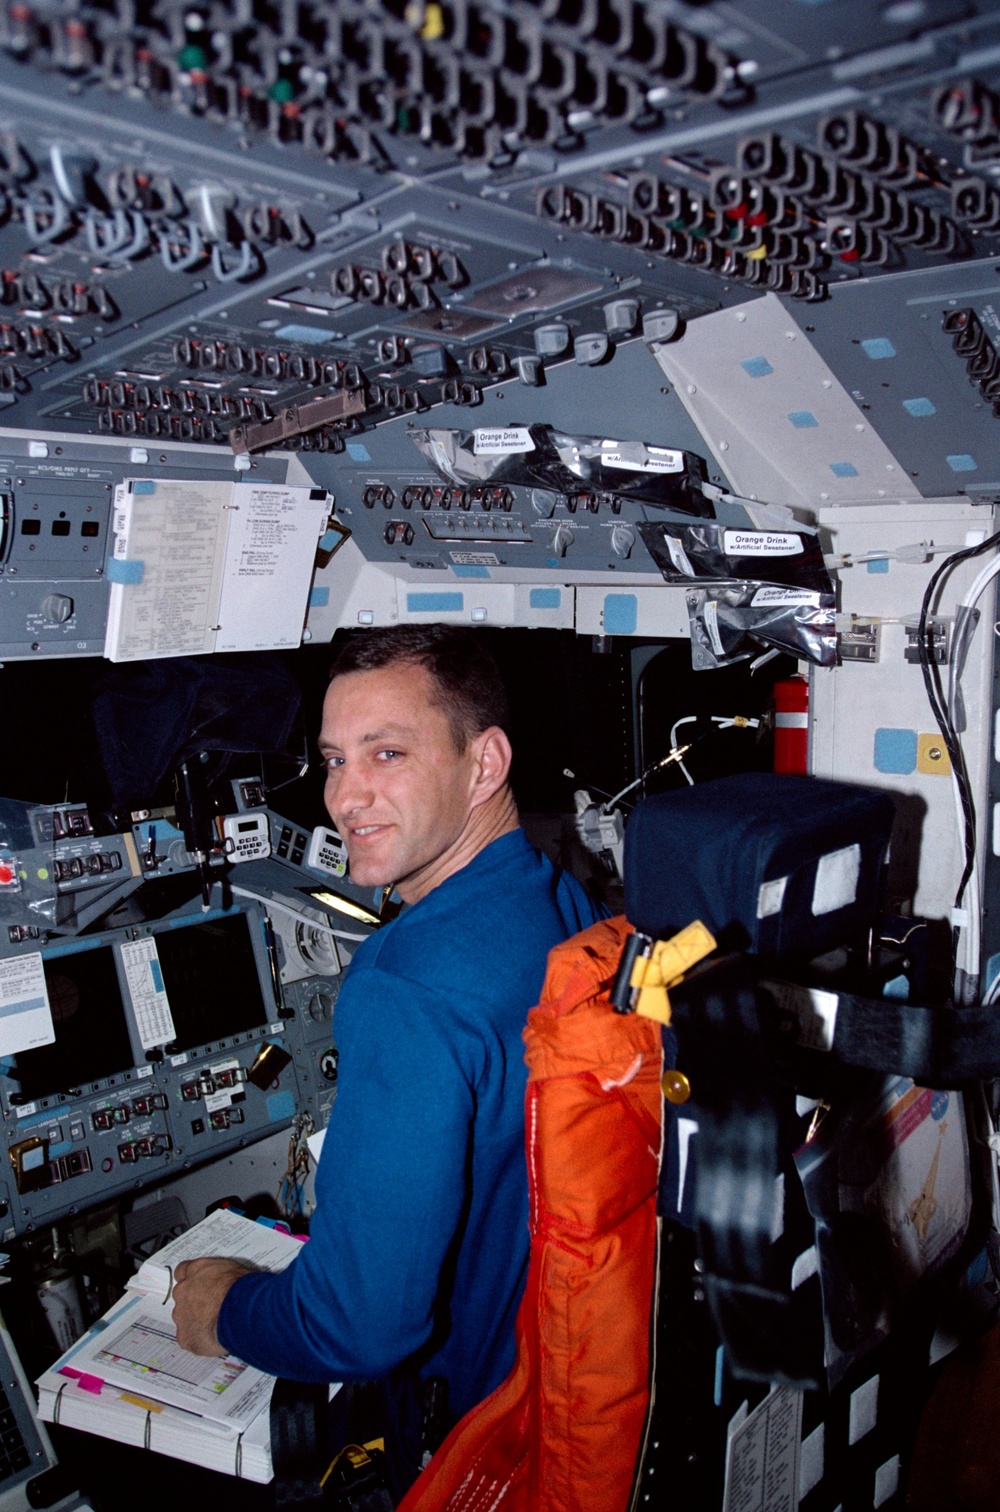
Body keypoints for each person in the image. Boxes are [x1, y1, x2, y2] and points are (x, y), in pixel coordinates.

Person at [171, 624, 605, 1495]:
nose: (345, 796)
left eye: (388, 753)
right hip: (559, 1385)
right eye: (333, 759)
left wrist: (223, 1304)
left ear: (483, 764)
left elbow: (361, 1330)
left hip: (471, 1441)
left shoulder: (407, 984)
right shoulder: (563, 900)